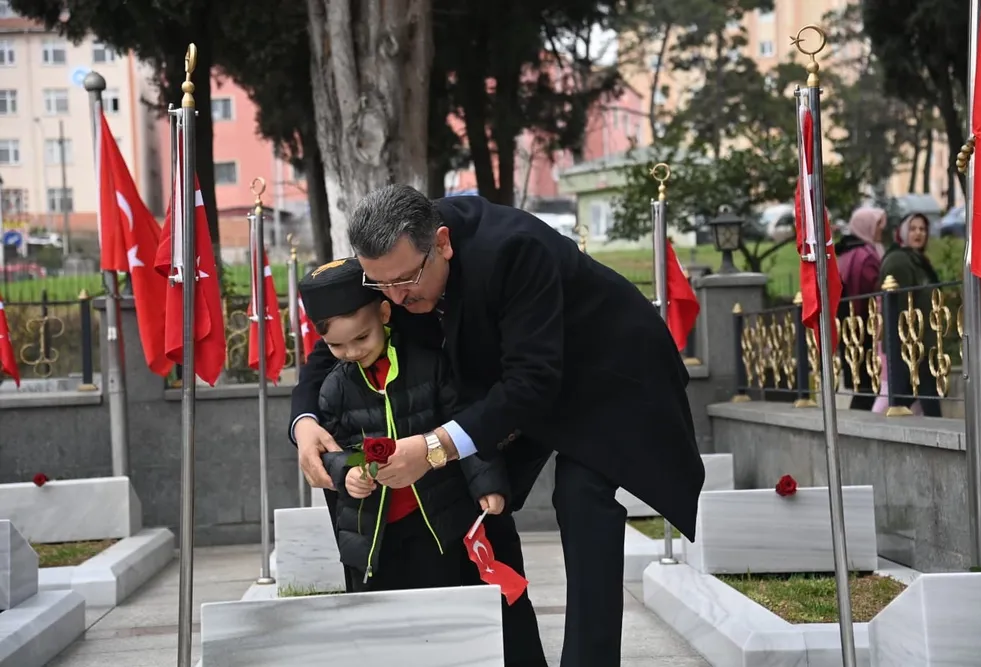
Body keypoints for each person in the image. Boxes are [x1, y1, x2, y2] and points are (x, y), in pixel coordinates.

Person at [290, 185, 704, 667]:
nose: (397, 299)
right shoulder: (393, 264)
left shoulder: (514, 250)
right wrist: (304, 422)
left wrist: (433, 447)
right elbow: (338, 339)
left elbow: (532, 381)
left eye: (406, 281)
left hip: (604, 378)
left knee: (582, 500)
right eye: (382, 286)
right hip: (518, 383)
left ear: (442, 243)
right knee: (483, 495)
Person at [296, 257, 547, 666]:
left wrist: (487, 483)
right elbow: (338, 446)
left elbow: (461, 424)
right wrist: (347, 471)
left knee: (448, 614)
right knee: (388, 628)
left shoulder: (428, 364)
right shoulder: (335, 388)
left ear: (384, 313)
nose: (352, 352)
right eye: (337, 346)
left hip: (436, 521)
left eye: (360, 338)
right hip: (374, 530)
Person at [875, 213, 942, 417]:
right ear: (903, 232)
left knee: (911, 400)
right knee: (924, 400)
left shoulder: (917, 260)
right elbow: (899, 306)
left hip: (921, 344)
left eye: (922, 229)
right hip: (911, 346)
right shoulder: (899, 261)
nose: (918, 233)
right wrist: (908, 341)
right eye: (913, 229)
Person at [835, 206, 886, 411]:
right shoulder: (865, 257)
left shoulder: (847, 253)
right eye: (877, 225)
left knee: (864, 387)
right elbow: (874, 292)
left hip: (850, 329)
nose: (881, 229)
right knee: (868, 386)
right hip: (866, 331)